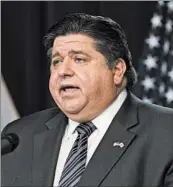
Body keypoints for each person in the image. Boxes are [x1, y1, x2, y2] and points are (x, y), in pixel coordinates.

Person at [1, 13, 173, 187]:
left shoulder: (167, 132)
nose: (63, 71)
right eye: (57, 61)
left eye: (79, 59)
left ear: (117, 70)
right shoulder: (19, 137)